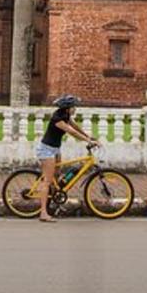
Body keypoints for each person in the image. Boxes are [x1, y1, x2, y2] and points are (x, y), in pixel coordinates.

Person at [35, 94, 99, 223]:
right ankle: (43, 213)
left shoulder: (65, 115)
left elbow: (76, 127)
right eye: (73, 107)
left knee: (57, 178)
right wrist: (87, 141)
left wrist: (89, 136)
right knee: (47, 181)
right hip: (46, 150)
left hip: (55, 149)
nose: (75, 109)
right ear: (67, 108)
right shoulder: (57, 119)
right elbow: (72, 132)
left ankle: (54, 202)